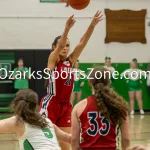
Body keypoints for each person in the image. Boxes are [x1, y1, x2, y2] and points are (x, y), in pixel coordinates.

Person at [39, 11, 103, 150]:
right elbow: (60, 45)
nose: (65, 48)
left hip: (66, 106)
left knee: (66, 146)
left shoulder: (70, 61)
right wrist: (67, 29)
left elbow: (82, 43)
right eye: (63, 45)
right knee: (46, 144)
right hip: (51, 104)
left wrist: (92, 25)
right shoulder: (53, 60)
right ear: (54, 47)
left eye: (68, 45)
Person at [71, 67, 130, 150]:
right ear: (109, 83)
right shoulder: (119, 106)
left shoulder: (79, 107)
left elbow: (74, 140)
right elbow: (126, 139)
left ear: (90, 83)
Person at [0, 89, 71, 150]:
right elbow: (69, 138)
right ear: (35, 105)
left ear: (16, 105)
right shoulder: (46, 121)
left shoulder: (18, 121)